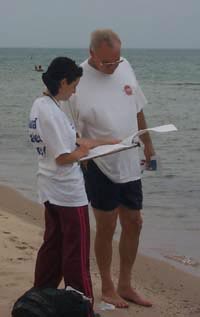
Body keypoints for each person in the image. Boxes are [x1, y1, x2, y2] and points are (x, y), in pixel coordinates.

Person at [64, 29, 155, 309]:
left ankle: (126, 284)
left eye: (116, 60)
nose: (113, 66)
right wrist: (83, 154)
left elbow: (137, 108)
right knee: (107, 225)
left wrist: (149, 145)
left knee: (135, 222)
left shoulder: (125, 66)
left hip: (129, 158)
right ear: (92, 54)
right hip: (99, 163)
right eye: (107, 62)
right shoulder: (76, 80)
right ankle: (107, 286)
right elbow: (69, 130)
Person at [29, 56, 117, 311]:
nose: (76, 90)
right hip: (67, 192)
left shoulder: (42, 104)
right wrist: (83, 154)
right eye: (74, 85)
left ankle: (40, 296)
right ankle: (82, 306)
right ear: (63, 81)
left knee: (53, 246)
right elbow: (64, 156)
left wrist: (107, 143)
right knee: (76, 253)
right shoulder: (50, 112)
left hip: (50, 187)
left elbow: (72, 143)